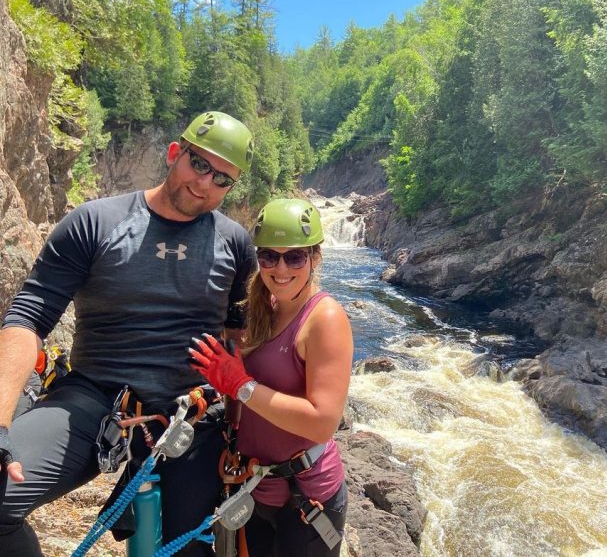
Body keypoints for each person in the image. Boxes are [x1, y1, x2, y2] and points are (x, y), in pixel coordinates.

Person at [0, 111, 256, 556]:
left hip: (192, 413)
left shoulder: (234, 243)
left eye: (222, 178)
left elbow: (243, 338)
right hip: (96, 401)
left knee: (187, 549)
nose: (204, 183)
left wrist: (245, 425)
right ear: (174, 152)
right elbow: (27, 318)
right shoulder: (95, 222)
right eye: (199, 164)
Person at [189, 198, 354, 556]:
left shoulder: (325, 319)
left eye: (294, 257)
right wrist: (229, 397)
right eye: (269, 257)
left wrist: (241, 385)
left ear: (314, 258)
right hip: (257, 486)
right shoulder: (268, 308)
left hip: (306, 497)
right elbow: (253, 390)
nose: (280, 269)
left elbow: (322, 423)